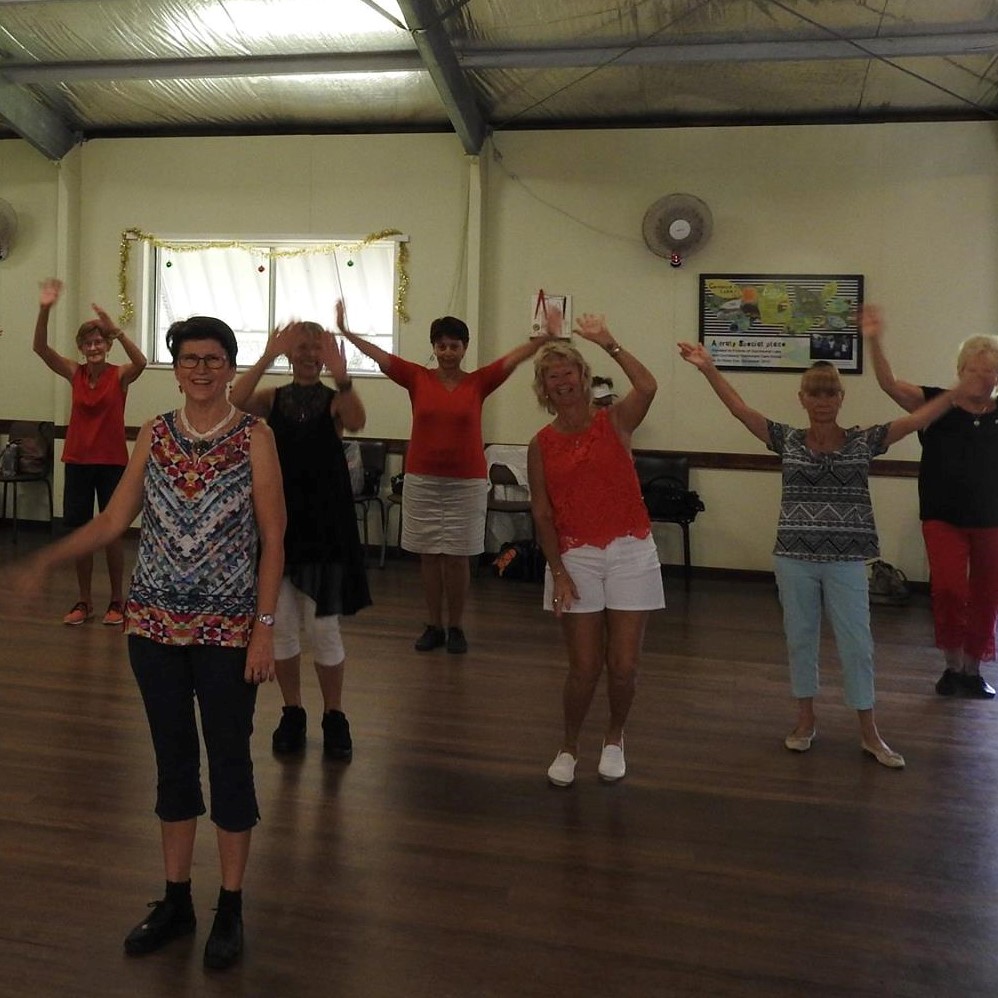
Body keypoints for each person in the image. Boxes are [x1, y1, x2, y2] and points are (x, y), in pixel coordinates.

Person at [16, 316, 285, 970]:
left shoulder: (256, 436)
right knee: (172, 762)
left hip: (227, 633)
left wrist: (264, 628)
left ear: (229, 365)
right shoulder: (155, 435)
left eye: (214, 359)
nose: (201, 369)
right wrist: (49, 560)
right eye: (190, 358)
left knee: (228, 763)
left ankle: (230, 906)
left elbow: (274, 537)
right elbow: (114, 519)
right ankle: (175, 900)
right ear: (175, 365)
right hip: (153, 629)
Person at [678, 341, 967, 768]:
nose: (822, 401)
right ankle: (805, 721)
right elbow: (740, 409)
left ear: (840, 398)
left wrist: (962, 388)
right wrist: (708, 368)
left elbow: (916, 419)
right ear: (803, 399)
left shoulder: (862, 441)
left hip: (847, 560)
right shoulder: (786, 439)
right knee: (801, 639)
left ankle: (870, 732)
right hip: (793, 557)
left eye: (830, 392)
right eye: (814, 393)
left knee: (858, 645)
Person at [336, 299, 556, 655]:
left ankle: (456, 626)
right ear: (434, 348)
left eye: (455, 346)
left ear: (464, 348)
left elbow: (512, 360)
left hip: (467, 482)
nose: (448, 351)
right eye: (442, 345)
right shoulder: (416, 378)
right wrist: (347, 332)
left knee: (457, 557)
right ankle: (433, 624)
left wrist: (542, 339)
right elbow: (381, 356)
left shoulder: (479, 382)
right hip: (422, 480)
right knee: (429, 556)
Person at [529, 315, 662, 787]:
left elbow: (647, 385)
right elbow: (543, 514)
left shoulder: (615, 421)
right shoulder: (541, 444)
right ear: (544, 388)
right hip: (574, 556)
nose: (562, 381)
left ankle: (614, 737)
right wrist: (558, 571)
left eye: (568, 372)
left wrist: (609, 342)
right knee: (584, 668)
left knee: (623, 667)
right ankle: (568, 745)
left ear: (584, 379)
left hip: (631, 550)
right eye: (552, 376)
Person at [230, 320, 370, 759]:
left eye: (317, 348)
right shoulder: (272, 399)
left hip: (326, 528)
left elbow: (358, 420)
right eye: (301, 348)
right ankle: (293, 711)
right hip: (280, 527)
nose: (309, 354)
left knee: (324, 628)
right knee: (283, 627)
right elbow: (234, 401)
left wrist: (342, 374)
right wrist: (268, 354)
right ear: (290, 354)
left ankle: (334, 714)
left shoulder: (333, 401)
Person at [862, 306, 998, 698]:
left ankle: (973, 670)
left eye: (989, 370)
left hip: (991, 519)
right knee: (951, 589)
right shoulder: (936, 403)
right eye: (973, 369)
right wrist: (874, 338)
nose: (981, 377)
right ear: (960, 371)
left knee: (988, 594)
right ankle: (952, 665)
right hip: (943, 516)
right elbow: (888, 384)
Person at [32, 277, 147, 625]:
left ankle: (117, 601)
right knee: (82, 534)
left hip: (112, 463)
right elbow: (40, 348)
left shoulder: (120, 375)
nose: (94, 347)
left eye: (99, 341)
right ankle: (84, 602)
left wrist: (118, 331)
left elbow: (141, 362)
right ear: (81, 347)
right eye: (88, 342)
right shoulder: (75, 372)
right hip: (79, 462)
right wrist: (44, 309)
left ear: (107, 346)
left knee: (111, 534)